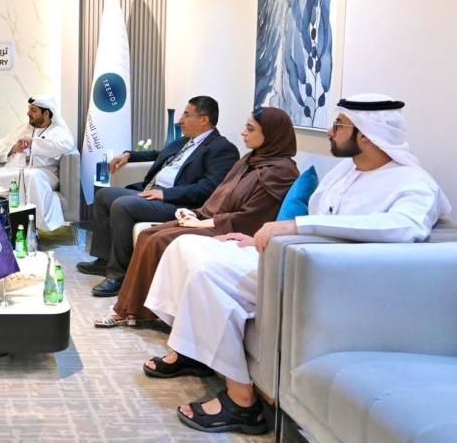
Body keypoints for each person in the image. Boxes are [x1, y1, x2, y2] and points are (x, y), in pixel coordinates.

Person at [143, 95, 451, 435]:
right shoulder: (346, 171)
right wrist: (259, 240)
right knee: (187, 246)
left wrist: (295, 228)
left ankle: (241, 403)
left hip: (332, 282)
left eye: (338, 125)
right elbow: (317, 219)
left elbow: (405, 227)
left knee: (207, 275)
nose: (330, 132)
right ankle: (193, 350)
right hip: (293, 260)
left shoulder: (413, 182)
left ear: (366, 134)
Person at [93, 106, 298, 327]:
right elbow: (221, 194)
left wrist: (201, 220)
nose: (243, 132)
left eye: (250, 128)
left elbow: (250, 217)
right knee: (148, 234)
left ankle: (131, 310)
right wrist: (197, 214)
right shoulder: (251, 159)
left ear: (271, 133)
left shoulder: (279, 172)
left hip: (230, 228)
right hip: (207, 216)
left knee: (158, 239)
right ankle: (131, 307)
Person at [79, 95, 239, 296]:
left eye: (186, 115)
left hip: (178, 204)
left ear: (204, 120)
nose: (180, 120)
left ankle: (119, 275)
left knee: (122, 205)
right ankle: (104, 259)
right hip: (152, 192)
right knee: (103, 195)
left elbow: (209, 188)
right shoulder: (185, 141)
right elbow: (157, 154)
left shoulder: (222, 149)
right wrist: (129, 154)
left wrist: (165, 194)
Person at [0, 95, 75, 231]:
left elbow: (66, 146)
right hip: (13, 170)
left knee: (31, 177)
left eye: (33, 110)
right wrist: (14, 148)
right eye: (29, 109)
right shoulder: (21, 129)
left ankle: (33, 227)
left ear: (46, 113)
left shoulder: (58, 131)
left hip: (42, 172)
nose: (28, 113)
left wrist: (34, 143)